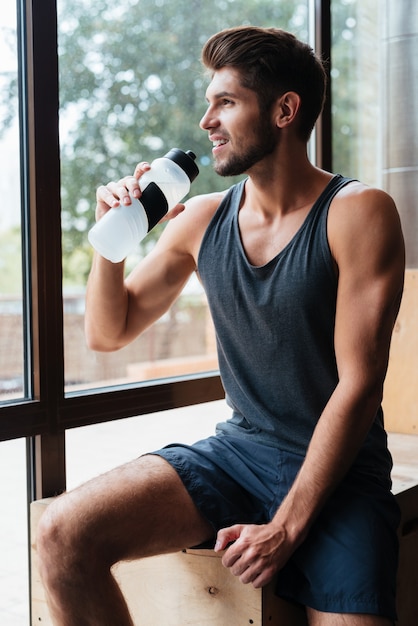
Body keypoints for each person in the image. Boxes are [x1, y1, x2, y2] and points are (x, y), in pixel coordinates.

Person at [36, 26, 405, 626]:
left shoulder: (358, 213)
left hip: (341, 472)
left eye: (226, 102)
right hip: (240, 450)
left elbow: (358, 385)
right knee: (60, 535)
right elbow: (109, 332)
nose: (206, 120)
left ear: (285, 110)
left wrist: (285, 528)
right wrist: (112, 239)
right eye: (209, 102)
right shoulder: (201, 220)